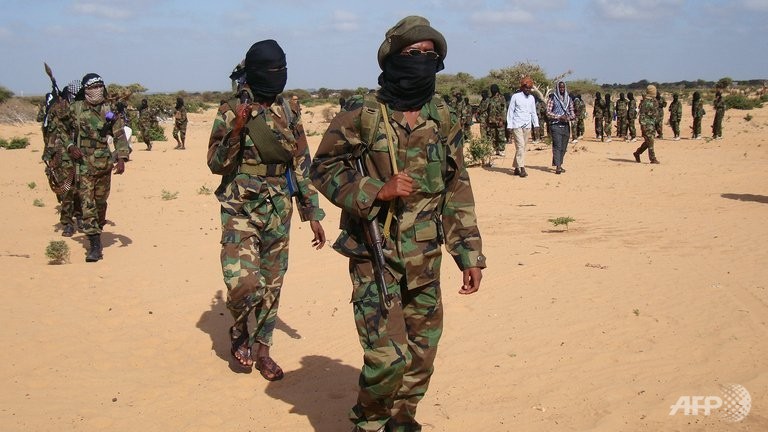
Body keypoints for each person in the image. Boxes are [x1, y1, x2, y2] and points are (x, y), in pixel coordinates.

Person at [309, 16, 486, 431]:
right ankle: (369, 422)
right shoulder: (362, 115)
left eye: (431, 55)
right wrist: (374, 190)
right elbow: (323, 168)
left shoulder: (442, 116)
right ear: (391, 58)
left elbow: (457, 188)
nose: (422, 62)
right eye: (412, 54)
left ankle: (402, 420)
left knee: (422, 354)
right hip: (376, 257)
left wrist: (469, 253)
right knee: (386, 358)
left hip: (425, 257)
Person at [206, 39, 326, 381]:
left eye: (281, 69)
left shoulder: (289, 108)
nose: (278, 76)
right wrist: (238, 130)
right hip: (240, 206)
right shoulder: (229, 109)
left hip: (278, 206)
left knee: (272, 283)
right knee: (242, 283)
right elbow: (216, 164)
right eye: (271, 71)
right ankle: (239, 328)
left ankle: (263, 351)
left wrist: (311, 211)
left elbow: (301, 160)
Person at [60, 73, 130, 261]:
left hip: (104, 164)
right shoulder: (75, 109)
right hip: (82, 164)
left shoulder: (109, 110)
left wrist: (122, 158)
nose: (96, 90)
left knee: (100, 203)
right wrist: (70, 146)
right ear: (85, 90)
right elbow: (62, 129)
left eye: (100, 86)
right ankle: (94, 245)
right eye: (92, 87)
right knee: (87, 203)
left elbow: (119, 134)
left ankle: (97, 227)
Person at [44, 81, 83, 236]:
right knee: (67, 190)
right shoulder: (57, 108)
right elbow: (50, 132)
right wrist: (49, 154)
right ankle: (67, 222)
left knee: (81, 189)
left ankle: (80, 216)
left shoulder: (83, 108)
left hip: (81, 153)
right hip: (63, 153)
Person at [506, 76, 540, 177]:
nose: (528, 90)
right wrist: (509, 125)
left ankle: (516, 167)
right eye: (526, 88)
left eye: (529, 88)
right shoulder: (515, 97)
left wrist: (536, 125)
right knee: (520, 146)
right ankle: (522, 168)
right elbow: (510, 111)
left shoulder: (531, 98)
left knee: (522, 148)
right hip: (517, 125)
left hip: (527, 125)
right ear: (522, 87)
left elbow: (533, 112)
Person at [547, 81, 576, 174]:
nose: (562, 89)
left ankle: (559, 163)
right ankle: (558, 166)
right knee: (557, 146)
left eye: (563, 88)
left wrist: (569, 117)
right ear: (557, 88)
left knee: (564, 147)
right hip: (555, 125)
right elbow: (548, 112)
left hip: (566, 126)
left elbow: (572, 112)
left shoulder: (569, 99)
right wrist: (559, 117)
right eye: (560, 88)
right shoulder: (552, 98)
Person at [633, 85, 660, 164]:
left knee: (648, 142)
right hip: (646, 124)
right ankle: (652, 158)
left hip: (652, 124)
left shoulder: (654, 101)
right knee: (650, 141)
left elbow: (655, 114)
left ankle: (637, 153)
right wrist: (643, 125)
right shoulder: (645, 102)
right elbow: (642, 115)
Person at [487, 84, 507, 155]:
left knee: (500, 135)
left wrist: (502, 120)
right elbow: (488, 110)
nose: (493, 90)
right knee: (493, 135)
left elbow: (504, 110)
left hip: (499, 120)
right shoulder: (490, 99)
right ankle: (495, 149)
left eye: (494, 89)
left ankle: (501, 149)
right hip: (491, 120)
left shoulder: (502, 98)